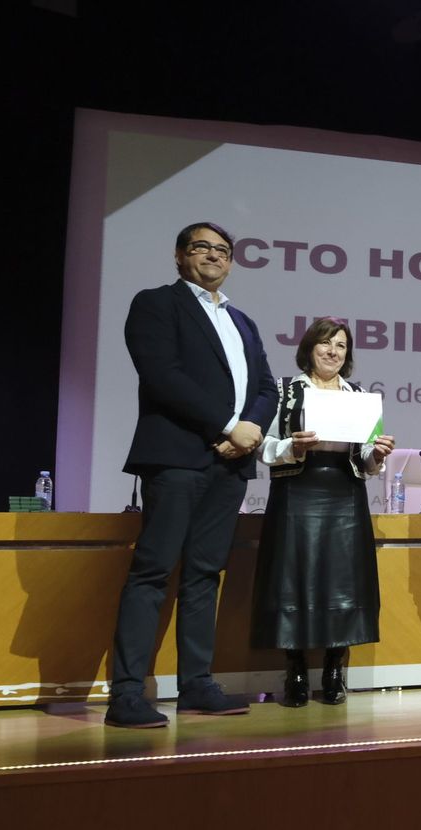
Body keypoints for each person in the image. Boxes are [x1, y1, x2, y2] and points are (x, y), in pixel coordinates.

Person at [104, 222, 276, 728]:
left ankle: (197, 684)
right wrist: (225, 425)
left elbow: (266, 385)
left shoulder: (242, 320)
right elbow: (162, 375)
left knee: (205, 574)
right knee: (153, 571)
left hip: (230, 465)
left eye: (223, 251)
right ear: (180, 256)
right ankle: (128, 693)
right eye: (202, 247)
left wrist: (248, 431)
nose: (214, 256)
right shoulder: (156, 303)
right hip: (177, 457)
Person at [252, 317, 396, 706]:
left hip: (345, 494)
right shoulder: (285, 391)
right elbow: (261, 445)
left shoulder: (359, 394)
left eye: (341, 346)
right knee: (293, 578)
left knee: (343, 581)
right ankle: (295, 669)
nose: (333, 352)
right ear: (309, 348)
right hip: (296, 490)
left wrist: (377, 453)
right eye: (326, 344)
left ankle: (335, 669)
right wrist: (290, 448)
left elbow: (364, 458)